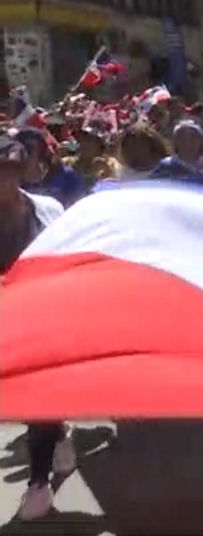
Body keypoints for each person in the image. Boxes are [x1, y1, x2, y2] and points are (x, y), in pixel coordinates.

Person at [0, 133, 75, 521]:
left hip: (46, 316)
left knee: (39, 396)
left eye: (9, 171)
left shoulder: (48, 209)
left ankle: (38, 482)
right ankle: (57, 433)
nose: (3, 181)